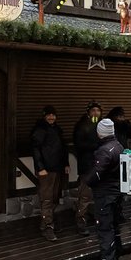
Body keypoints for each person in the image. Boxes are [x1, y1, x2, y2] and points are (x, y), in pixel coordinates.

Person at [85, 118, 124, 260]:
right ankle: (115, 258)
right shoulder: (118, 146)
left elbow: (97, 172)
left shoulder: (104, 150)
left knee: (104, 227)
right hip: (116, 191)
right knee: (114, 225)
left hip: (105, 193)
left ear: (100, 133)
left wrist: (87, 181)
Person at [31, 105, 70, 241]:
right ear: (44, 116)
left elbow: (63, 148)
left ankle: (46, 224)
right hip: (46, 170)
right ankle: (48, 227)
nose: (51, 117)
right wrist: (40, 167)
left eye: (53, 115)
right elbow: (35, 149)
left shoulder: (57, 129)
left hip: (57, 169)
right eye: (48, 115)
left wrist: (66, 163)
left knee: (54, 198)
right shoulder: (40, 130)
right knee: (46, 199)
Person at [73, 100, 102, 236]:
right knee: (84, 196)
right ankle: (80, 222)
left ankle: (99, 220)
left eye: (98, 110)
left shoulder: (101, 125)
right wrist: (96, 145)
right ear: (88, 112)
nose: (96, 113)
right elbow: (79, 145)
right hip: (86, 166)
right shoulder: (81, 126)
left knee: (99, 194)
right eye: (93, 111)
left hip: (100, 166)